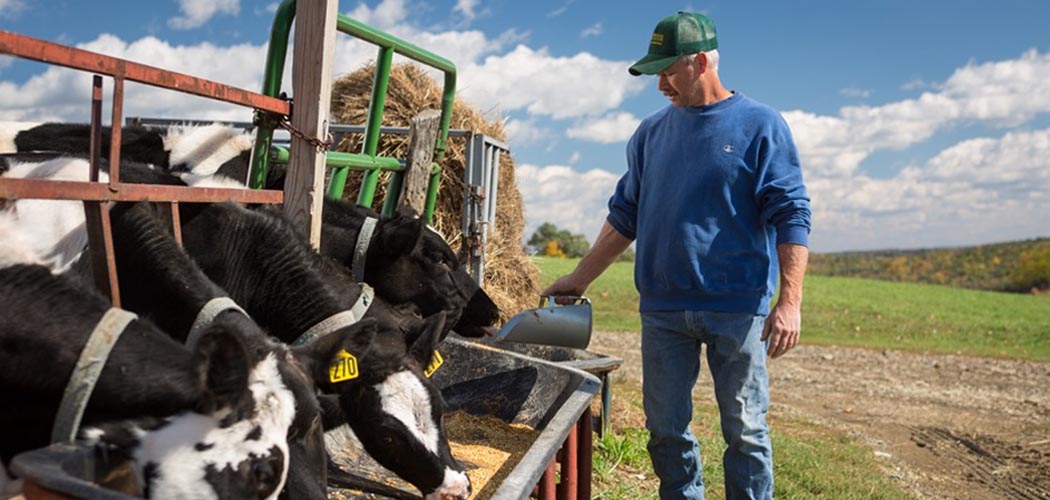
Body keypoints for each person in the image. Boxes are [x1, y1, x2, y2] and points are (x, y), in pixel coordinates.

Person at [541, 11, 811, 500]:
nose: (660, 83)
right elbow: (625, 217)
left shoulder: (760, 125)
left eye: (668, 70)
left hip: (737, 307)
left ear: (702, 61)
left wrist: (789, 301)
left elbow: (792, 213)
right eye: (655, 72)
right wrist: (579, 279)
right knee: (665, 430)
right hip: (663, 311)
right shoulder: (649, 134)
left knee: (746, 432)